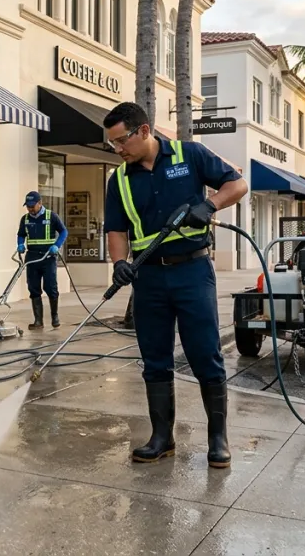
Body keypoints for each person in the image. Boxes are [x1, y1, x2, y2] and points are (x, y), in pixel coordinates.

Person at [102, 102, 248, 468]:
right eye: (112, 145)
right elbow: (117, 230)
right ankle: (162, 437)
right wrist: (119, 263)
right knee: (154, 357)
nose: (118, 150)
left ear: (144, 131)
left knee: (204, 353)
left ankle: (218, 439)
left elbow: (238, 183)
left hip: (192, 273)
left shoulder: (190, 154)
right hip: (148, 278)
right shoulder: (119, 179)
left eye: (121, 141)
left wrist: (210, 205)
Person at [16, 191, 68, 329]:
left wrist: (56, 246)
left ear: (40, 203)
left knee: (51, 286)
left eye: (32, 206)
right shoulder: (25, 219)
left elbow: (64, 231)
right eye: (28, 206)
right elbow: (21, 234)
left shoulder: (52, 216)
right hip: (32, 257)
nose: (30, 209)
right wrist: (20, 244)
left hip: (48, 257)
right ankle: (38, 321)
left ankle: (54, 317)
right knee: (33, 287)